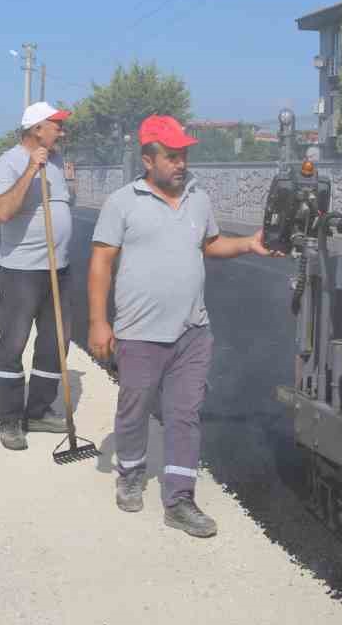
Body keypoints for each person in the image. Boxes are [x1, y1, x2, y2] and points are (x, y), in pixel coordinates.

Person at [88, 115, 278, 538]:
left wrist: (248, 243)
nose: (181, 163)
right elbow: (101, 262)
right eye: (171, 156)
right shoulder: (123, 202)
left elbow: (211, 245)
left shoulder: (198, 199)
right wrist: (99, 322)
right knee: (134, 408)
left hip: (193, 331)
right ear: (147, 159)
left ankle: (179, 499)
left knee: (184, 414)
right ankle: (132, 473)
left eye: (184, 155)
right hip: (138, 332)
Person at [0, 100, 76, 451]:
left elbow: (61, 206)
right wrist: (29, 170)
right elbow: (2, 212)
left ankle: (38, 411)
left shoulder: (56, 160)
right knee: (13, 344)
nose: (62, 130)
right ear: (37, 128)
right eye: (57, 124)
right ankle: (10, 420)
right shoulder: (9, 162)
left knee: (56, 342)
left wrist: (68, 181)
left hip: (60, 269)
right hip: (21, 272)